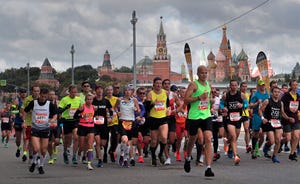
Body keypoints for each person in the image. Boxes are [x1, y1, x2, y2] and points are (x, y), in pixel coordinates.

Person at [183, 65, 214, 177]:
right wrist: (198, 97)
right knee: (192, 138)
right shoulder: (193, 85)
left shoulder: (208, 85)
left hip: (206, 115)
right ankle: (188, 157)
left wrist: (211, 101)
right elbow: (186, 100)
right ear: (198, 74)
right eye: (202, 73)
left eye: (206, 72)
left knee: (208, 139)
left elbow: (207, 99)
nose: (204, 75)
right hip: (194, 116)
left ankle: (208, 168)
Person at [23, 88, 57, 174]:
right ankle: (34, 162)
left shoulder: (50, 104)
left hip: (45, 129)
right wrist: (24, 122)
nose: (43, 98)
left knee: (43, 150)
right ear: (39, 95)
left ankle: (40, 165)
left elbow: (56, 113)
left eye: (45, 97)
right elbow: (25, 111)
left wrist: (53, 119)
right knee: (36, 148)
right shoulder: (33, 103)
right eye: (42, 96)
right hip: (35, 128)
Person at [220, 80, 248, 165]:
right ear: (230, 86)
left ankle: (229, 146)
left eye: (235, 85)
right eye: (232, 85)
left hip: (238, 119)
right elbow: (221, 103)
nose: (234, 87)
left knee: (234, 138)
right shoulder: (226, 95)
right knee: (233, 136)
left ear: (237, 86)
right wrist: (223, 108)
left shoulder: (241, 95)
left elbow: (246, 104)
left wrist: (242, 105)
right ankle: (236, 156)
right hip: (229, 119)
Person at [259, 86, 287, 163]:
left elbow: (282, 113)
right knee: (272, 141)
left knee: (278, 140)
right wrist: (262, 118)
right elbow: (260, 110)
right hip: (268, 123)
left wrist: (288, 118)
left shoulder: (280, 103)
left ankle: (274, 156)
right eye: (275, 92)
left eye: (278, 92)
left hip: (277, 123)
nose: (276, 94)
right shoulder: (267, 101)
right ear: (272, 93)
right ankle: (267, 146)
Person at [144, 77, 169, 167]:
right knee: (154, 141)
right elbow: (146, 108)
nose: (158, 85)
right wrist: (152, 103)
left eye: (160, 83)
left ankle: (161, 153)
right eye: (157, 83)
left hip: (163, 118)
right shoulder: (150, 94)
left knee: (164, 138)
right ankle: (154, 156)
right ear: (154, 84)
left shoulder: (165, 93)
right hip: (153, 118)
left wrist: (169, 109)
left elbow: (168, 104)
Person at [115, 85, 140, 167]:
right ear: (124, 91)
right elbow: (115, 107)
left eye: (129, 90)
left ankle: (125, 159)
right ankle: (122, 154)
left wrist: (136, 110)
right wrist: (117, 112)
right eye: (126, 90)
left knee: (128, 144)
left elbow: (139, 110)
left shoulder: (134, 100)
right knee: (124, 139)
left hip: (131, 122)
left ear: (131, 92)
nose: (127, 92)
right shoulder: (120, 99)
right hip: (122, 121)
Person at [59, 85, 81, 164]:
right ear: (69, 92)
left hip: (75, 120)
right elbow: (59, 110)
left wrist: (80, 111)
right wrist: (66, 108)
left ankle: (74, 156)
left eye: (75, 92)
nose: (74, 94)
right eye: (72, 92)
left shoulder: (79, 99)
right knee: (67, 139)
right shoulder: (64, 99)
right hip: (66, 120)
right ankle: (65, 152)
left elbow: (82, 108)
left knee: (76, 137)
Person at [93, 85, 113, 167]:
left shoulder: (106, 101)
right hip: (95, 124)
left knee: (103, 143)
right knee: (98, 141)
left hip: (104, 124)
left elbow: (111, 111)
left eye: (101, 89)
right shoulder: (93, 101)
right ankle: (100, 160)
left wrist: (110, 117)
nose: (99, 91)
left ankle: (98, 147)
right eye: (98, 89)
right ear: (96, 91)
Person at [74, 93, 96, 170]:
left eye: (90, 99)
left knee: (90, 145)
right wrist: (82, 116)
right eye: (87, 99)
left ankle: (89, 163)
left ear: (92, 100)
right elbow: (75, 116)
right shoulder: (82, 107)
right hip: (82, 126)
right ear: (85, 100)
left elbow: (95, 116)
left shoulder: (94, 107)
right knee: (82, 145)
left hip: (91, 127)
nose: (89, 101)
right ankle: (80, 153)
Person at [249, 79, 269, 159]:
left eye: (264, 85)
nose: (263, 86)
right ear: (258, 86)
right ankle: (254, 150)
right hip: (256, 115)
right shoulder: (255, 95)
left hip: (264, 116)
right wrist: (257, 103)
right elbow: (250, 105)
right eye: (261, 85)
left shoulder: (267, 94)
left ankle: (257, 149)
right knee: (256, 134)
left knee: (262, 136)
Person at [281, 79, 300, 161]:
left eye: (296, 85)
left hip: (295, 118)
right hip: (287, 118)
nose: (295, 86)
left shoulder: (298, 96)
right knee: (288, 138)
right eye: (293, 85)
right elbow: (282, 108)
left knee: (296, 136)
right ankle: (281, 142)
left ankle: (292, 153)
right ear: (290, 86)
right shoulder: (286, 96)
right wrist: (288, 115)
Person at [162, 79, 180, 165]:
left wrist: (175, 111)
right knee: (165, 138)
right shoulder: (160, 94)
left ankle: (165, 146)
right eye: (165, 84)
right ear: (162, 85)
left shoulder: (174, 95)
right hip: (162, 118)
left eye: (168, 84)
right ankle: (167, 157)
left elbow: (180, 105)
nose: (166, 85)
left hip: (172, 118)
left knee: (172, 140)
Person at [21, 85, 40, 162]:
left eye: (38, 91)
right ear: (32, 91)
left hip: (38, 123)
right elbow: (22, 109)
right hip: (29, 122)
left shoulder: (41, 99)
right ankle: (26, 154)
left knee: (33, 142)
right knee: (27, 140)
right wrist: (24, 120)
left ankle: (32, 156)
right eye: (35, 91)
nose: (36, 92)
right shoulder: (28, 99)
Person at [105, 86, 119, 163]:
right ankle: (104, 154)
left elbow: (118, 109)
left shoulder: (116, 99)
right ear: (106, 91)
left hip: (115, 121)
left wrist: (118, 113)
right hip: (106, 121)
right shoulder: (104, 99)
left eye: (111, 90)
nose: (109, 91)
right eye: (108, 90)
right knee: (106, 138)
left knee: (115, 137)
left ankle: (111, 150)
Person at [175, 86, 188, 161]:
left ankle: (185, 151)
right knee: (179, 139)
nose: (184, 93)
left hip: (186, 122)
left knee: (187, 138)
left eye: (185, 92)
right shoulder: (177, 100)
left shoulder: (188, 101)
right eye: (182, 92)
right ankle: (178, 152)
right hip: (178, 122)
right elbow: (176, 110)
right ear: (179, 92)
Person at [13, 88, 27, 157]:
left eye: (25, 92)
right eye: (22, 92)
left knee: (25, 138)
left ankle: (25, 153)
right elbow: (13, 111)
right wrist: (19, 112)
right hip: (18, 121)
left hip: (26, 122)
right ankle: (18, 148)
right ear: (20, 93)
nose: (24, 94)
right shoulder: (16, 101)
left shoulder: (28, 101)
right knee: (18, 140)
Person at [47, 90, 60, 164]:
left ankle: (55, 148)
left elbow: (60, 113)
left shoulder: (57, 103)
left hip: (56, 124)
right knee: (49, 143)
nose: (52, 96)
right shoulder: (46, 103)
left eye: (53, 94)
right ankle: (51, 157)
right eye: (50, 94)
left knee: (57, 142)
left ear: (55, 95)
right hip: (48, 124)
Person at [239, 82, 252, 153]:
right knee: (236, 132)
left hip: (245, 113)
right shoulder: (237, 94)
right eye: (243, 86)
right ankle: (231, 146)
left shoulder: (248, 95)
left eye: (246, 86)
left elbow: (249, 104)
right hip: (237, 114)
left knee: (247, 129)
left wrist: (249, 108)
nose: (244, 88)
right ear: (240, 87)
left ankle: (247, 145)